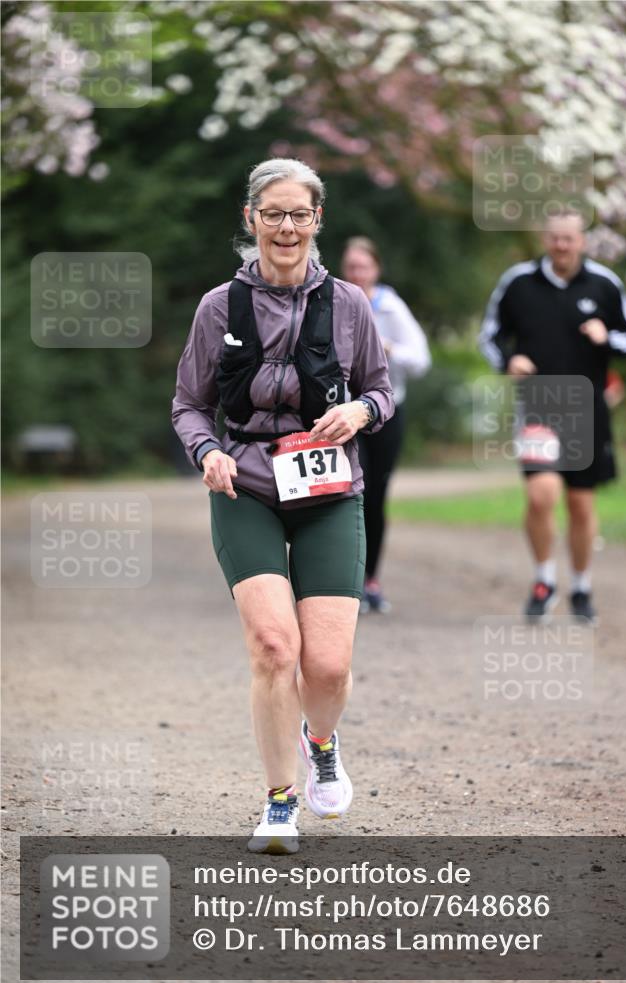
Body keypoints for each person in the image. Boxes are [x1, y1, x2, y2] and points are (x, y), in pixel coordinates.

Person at [172, 159, 394, 854]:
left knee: (325, 666)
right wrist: (206, 450)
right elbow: (188, 403)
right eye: (273, 214)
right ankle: (278, 802)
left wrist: (358, 411)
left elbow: (383, 392)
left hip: (328, 493)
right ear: (251, 220)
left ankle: (320, 740)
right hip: (246, 488)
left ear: (316, 221)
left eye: (299, 214)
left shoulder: (350, 305)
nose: (287, 227)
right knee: (274, 648)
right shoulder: (219, 307)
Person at [478, 210, 626, 624]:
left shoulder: (605, 284)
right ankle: (544, 579)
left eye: (569, 239)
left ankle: (582, 587)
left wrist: (609, 338)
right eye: (554, 238)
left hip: (587, 412)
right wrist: (508, 358)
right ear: (545, 239)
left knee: (581, 505)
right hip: (537, 405)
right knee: (541, 494)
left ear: (582, 241)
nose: (561, 246)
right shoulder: (518, 282)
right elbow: (490, 334)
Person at [341, 237, 431, 613]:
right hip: (341, 416)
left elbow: (422, 360)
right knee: (345, 495)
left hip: (385, 412)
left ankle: (370, 580)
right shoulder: (333, 302)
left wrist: (388, 348)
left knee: (375, 496)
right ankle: (341, 581)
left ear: (376, 269)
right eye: (351, 267)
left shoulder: (392, 308)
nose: (358, 274)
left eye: (364, 267)